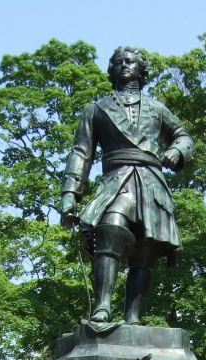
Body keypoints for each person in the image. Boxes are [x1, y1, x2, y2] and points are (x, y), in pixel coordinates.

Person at [58, 46, 193, 325]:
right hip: (116, 180)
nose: (124, 65)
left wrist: (177, 151)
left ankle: (133, 317)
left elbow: (183, 136)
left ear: (140, 69)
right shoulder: (96, 109)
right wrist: (69, 194)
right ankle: (102, 307)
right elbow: (81, 153)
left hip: (151, 183)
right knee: (111, 228)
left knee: (146, 249)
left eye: (130, 61)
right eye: (118, 62)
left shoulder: (157, 108)